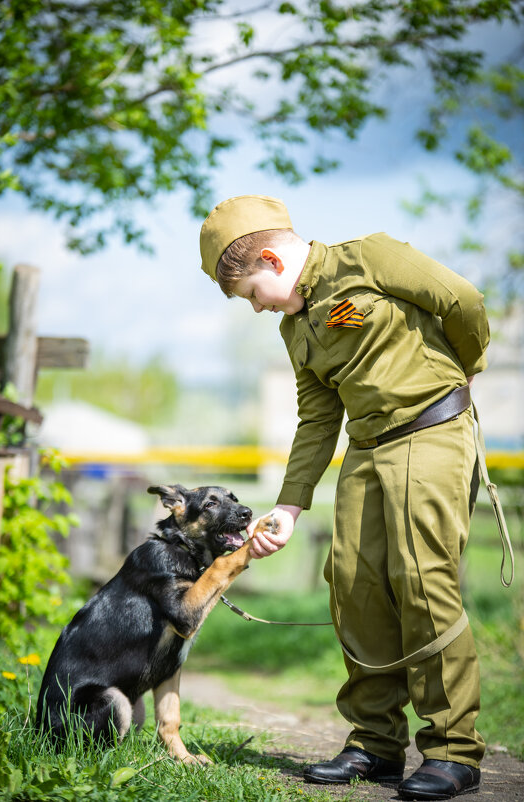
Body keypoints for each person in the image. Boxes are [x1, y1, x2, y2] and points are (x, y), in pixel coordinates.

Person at [199, 194, 489, 801]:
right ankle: (375, 744)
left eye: (252, 293)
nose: (256, 307)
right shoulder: (294, 325)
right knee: (351, 581)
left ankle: (453, 751)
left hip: (432, 428)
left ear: (275, 262)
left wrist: (458, 372)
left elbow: (463, 303)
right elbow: (316, 418)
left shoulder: (374, 260)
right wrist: (289, 503)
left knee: (422, 579)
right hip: (366, 447)